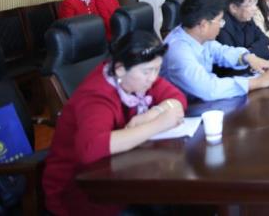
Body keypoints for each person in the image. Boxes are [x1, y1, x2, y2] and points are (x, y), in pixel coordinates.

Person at [43, 30, 187, 216]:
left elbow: (177, 97)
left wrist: (154, 113)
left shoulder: (137, 79)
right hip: (81, 191)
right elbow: (91, 148)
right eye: (147, 71)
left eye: (157, 69)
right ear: (119, 69)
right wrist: (158, 124)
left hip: (122, 175)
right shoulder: (97, 95)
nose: (153, 78)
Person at [161, 0, 269, 101]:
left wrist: (248, 57)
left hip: (201, 103)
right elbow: (209, 88)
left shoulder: (198, 35)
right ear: (204, 25)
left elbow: (222, 52)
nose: (222, 25)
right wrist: (259, 82)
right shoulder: (178, 51)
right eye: (220, 21)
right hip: (185, 110)